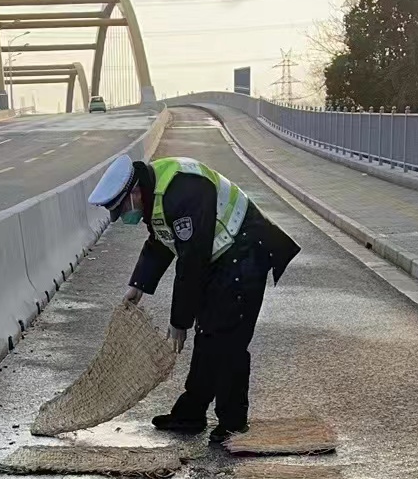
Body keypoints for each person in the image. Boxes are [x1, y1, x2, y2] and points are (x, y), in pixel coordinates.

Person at [88, 154, 300, 442]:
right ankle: (191, 414)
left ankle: (233, 423)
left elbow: (192, 262)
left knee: (229, 340)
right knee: (209, 332)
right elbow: (161, 239)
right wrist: (138, 285)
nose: (123, 217)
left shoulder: (183, 192)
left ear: (134, 192)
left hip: (247, 248)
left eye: (122, 208)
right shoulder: (155, 194)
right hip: (222, 256)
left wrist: (179, 321)